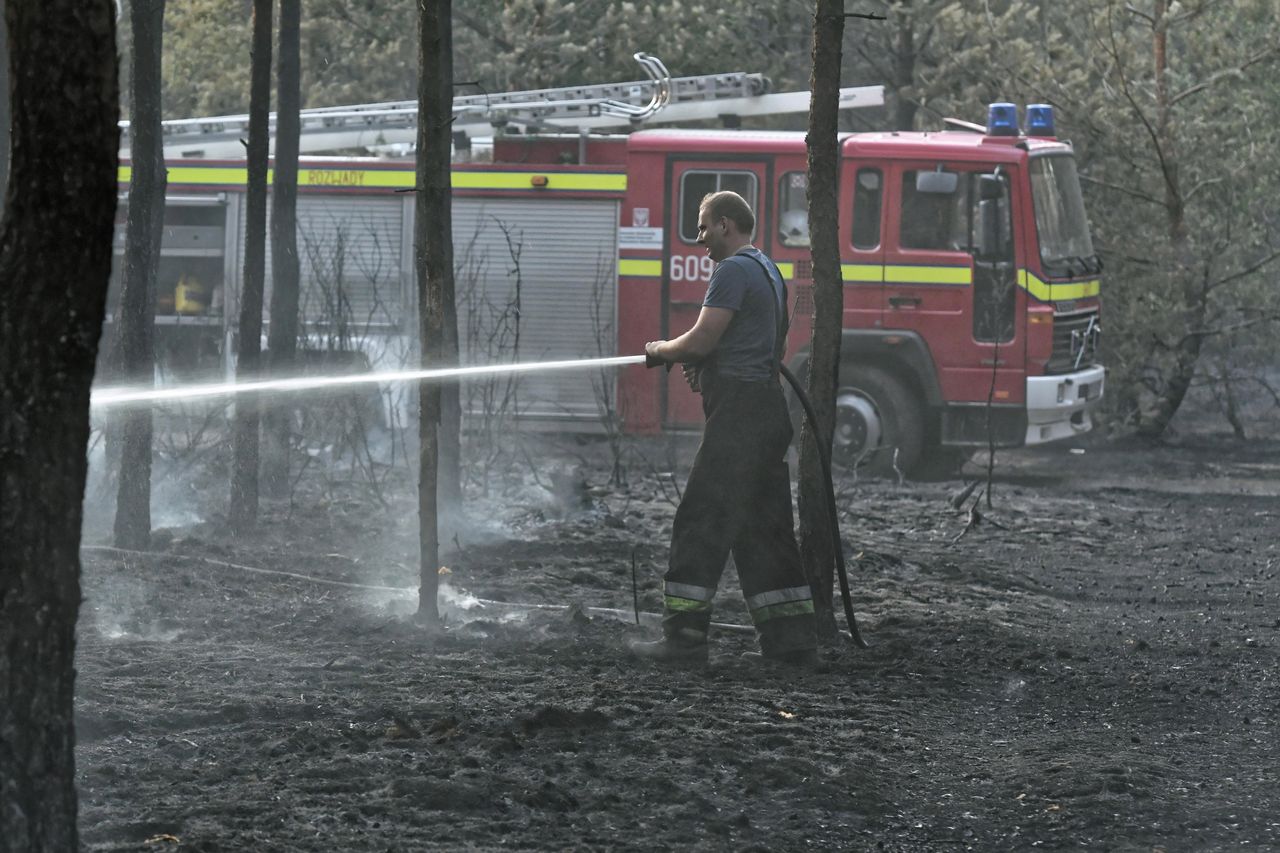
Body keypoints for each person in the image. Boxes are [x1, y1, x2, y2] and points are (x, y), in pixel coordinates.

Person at [632, 191, 818, 667]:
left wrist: (661, 349)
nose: (700, 239)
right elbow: (750, 342)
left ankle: (684, 640)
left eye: (704, 226)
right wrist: (707, 363)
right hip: (766, 411)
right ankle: (791, 643)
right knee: (765, 527)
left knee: (702, 518)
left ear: (728, 225)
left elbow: (702, 338)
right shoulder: (768, 270)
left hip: (739, 416)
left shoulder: (732, 271)